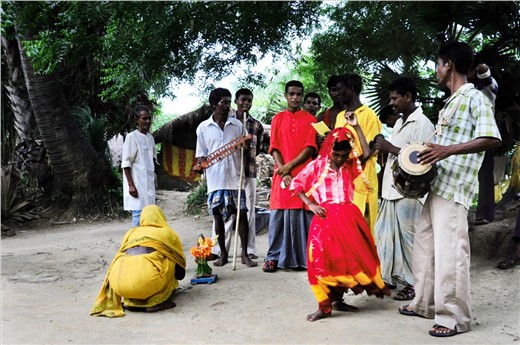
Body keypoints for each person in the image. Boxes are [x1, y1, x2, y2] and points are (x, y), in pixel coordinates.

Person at [398, 42, 501, 337]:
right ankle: (423, 303)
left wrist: (446, 150)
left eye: (437, 64)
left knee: (450, 253)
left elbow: (491, 138)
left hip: (455, 188)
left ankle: (454, 318)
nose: (436, 70)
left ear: (449, 66)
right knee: (425, 248)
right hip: (437, 185)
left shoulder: (475, 98)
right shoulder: (452, 101)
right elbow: (439, 146)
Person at [291, 124, 391, 322]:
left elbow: (366, 153)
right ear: (330, 149)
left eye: (344, 155)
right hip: (325, 219)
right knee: (322, 263)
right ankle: (324, 306)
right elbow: (296, 184)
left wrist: (356, 127)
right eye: (337, 154)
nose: (340, 158)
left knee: (345, 262)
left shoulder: (350, 165)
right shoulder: (318, 165)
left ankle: (337, 299)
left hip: (348, 218)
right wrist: (311, 204)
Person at [373, 77, 435, 301]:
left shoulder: (423, 124)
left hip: (410, 191)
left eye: (395, 98)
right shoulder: (399, 122)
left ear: (408, 97)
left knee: (410, 239)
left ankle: (415, 284)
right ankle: (393, 277)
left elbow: (423, 159)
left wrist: (391, 147)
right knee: (384, 233)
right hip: (391, 189)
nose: (392, 102)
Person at [195, 87, 257, 267]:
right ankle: (223, 254)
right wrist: (201, 164)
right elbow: (201, 154)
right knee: (218, 217)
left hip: (235, 177)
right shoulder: (203, 128)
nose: (228, 106)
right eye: (224, 102)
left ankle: (244, 254)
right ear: (214, 104)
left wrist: (245, 146)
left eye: (229, 102)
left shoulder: (238, 125)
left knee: (241, 215)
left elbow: (246, 146)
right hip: (215, 180)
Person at [90, 205, 186, 317]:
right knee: (171, 258)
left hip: (119, 284)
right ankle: (156, 302)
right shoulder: (167, 233)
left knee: (133, 262)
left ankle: (131, 302)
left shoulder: (132, 232)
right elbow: (180, 270)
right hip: (147, 281)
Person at [263, 80, 318, 272]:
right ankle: (273, 257)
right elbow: (274, 147)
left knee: (304, 215)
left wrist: (289, 168)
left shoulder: (311, 120)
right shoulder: (277, 118)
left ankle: (305, 258)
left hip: (304, 175)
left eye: (298, 94)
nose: (295, 97)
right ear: (286, 96)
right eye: (291, 94)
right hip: (282, 175)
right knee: (279, 214)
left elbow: (310, 147)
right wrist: (283, 170)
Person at [209, 88, 264, 261]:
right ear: (237, 101)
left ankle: (248, 249)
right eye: (243, 100)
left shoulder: (256, 125)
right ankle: (219, 249)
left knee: (248, 210)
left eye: (249, 100)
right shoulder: (229, 122)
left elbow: (259, 148)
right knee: (225, 210)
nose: (246, 103)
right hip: (230, 173)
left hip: (249, 171)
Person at [334, 73, 382, 234]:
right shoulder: (341, 116)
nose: (337, 94)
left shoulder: (369, 116)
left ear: (351, 89)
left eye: (340, 90)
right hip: (342, 186)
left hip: (363, 185)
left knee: (363, 235)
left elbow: (367, 152)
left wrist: (347, 159)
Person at [468, 62, 499, 226]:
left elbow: (485, 72)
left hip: (484, 139)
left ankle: (485, 214)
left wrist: (479, 66)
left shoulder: (486, 90)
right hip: (466, 141)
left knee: (485, 176)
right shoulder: (464, 94)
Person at [121, 105, 157, 226]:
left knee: (150, 217)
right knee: (138, 218)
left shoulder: (150, 138)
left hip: (149, 184)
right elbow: (126, 163)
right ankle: (134, 244)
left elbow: (152, 161)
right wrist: (131, 185)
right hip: (137, 185)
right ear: (137, 120)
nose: (147, 121)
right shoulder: (132, 137)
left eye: (149, 118)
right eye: (144, 118)